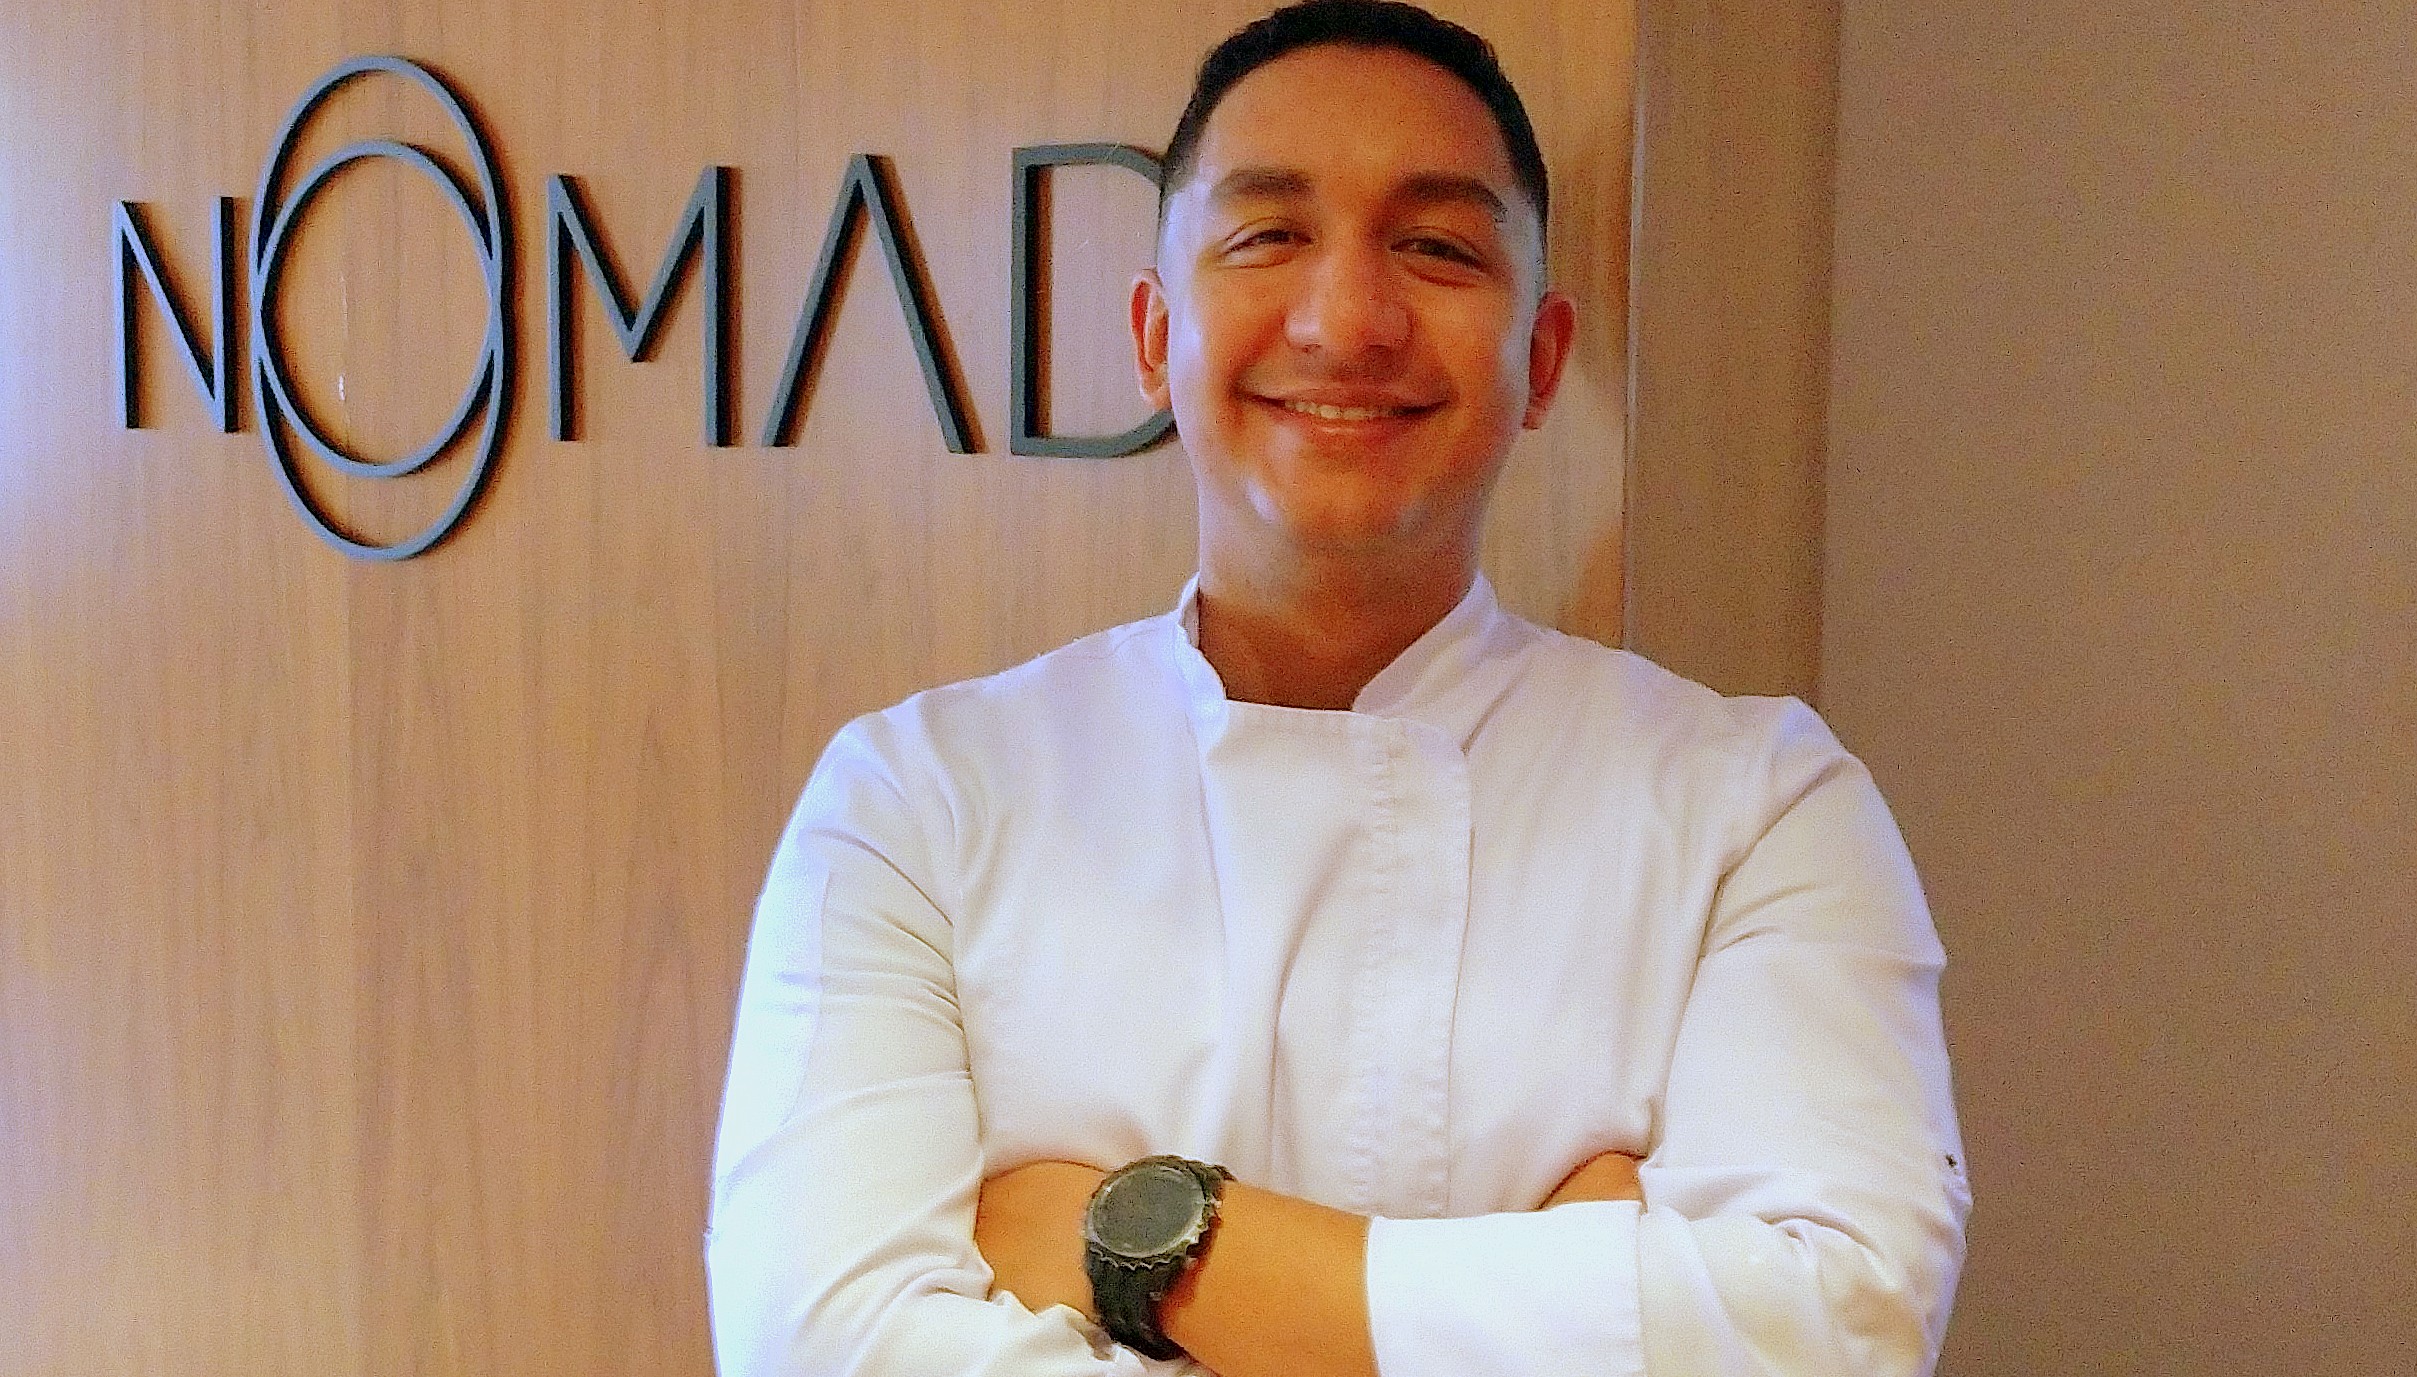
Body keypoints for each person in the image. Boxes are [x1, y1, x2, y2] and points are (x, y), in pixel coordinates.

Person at [705, 2, 1969, 1375]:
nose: (1347, 320)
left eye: (1437, 249)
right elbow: (812, 1343)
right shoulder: (916, 802)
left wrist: (1125, 1239)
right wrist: (1572, 1292)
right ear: (1156, 337)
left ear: (1540, 361)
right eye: (1267, 236)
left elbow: (1841, 1324)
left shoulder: (1758, 807)